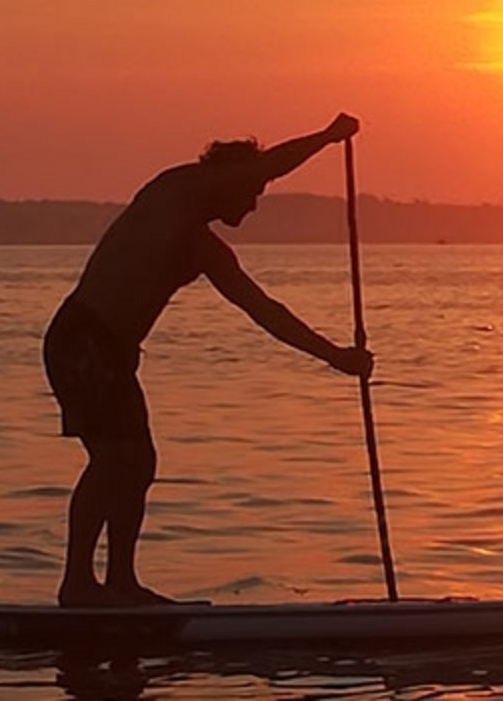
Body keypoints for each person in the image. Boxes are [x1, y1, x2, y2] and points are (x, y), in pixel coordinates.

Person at [43, 113, 373, 607]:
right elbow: (273, 165)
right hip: (82, 341)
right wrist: (328, 138)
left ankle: (119, 584)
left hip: (111, 353)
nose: (256, 203)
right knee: (116, 460)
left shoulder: (204, 248)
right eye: (254, 190)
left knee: (136, 464)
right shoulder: (174, 192)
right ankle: (78, 586)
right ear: (233, 178)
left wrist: (337, 357)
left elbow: (264, 311)